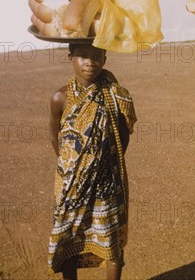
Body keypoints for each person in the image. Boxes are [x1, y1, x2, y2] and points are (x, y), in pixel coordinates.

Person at [48, 42, 137, 280]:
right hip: (71, 182)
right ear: (70, 58)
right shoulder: (60, 98)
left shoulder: (116, 96)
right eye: (83, 56)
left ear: (105, 59)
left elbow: (122, 138)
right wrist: (75, 166)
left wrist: (102, 165)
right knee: (69, 236)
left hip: (107, 181)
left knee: (111, 240)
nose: (90, 62)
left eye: (97, 56)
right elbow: (55, 136)